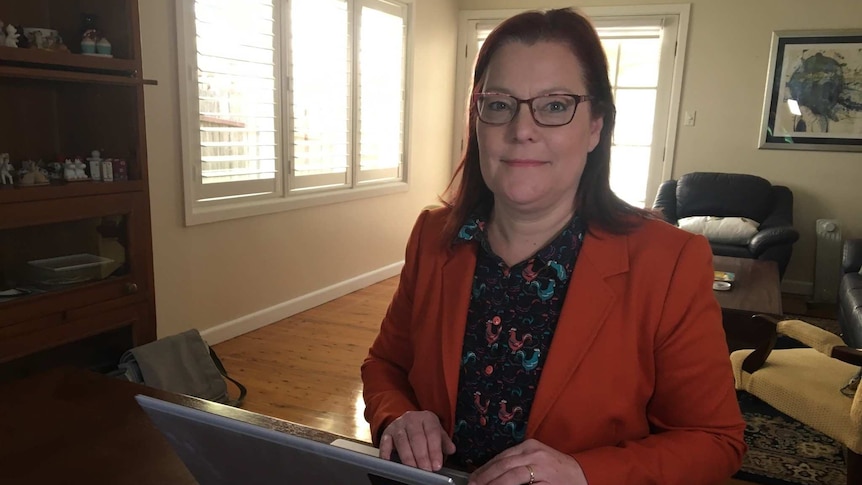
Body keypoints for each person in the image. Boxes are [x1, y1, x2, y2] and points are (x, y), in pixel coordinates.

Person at [361, 8, 746, 485]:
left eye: (555, 105)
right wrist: (396, 414)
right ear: (476, 121)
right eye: (499, 104)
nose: (522, 129)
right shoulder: (433, 237)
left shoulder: (668, 262)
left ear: (595, 127)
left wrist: (585, 473)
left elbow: (714, 440)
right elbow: (385, 365)